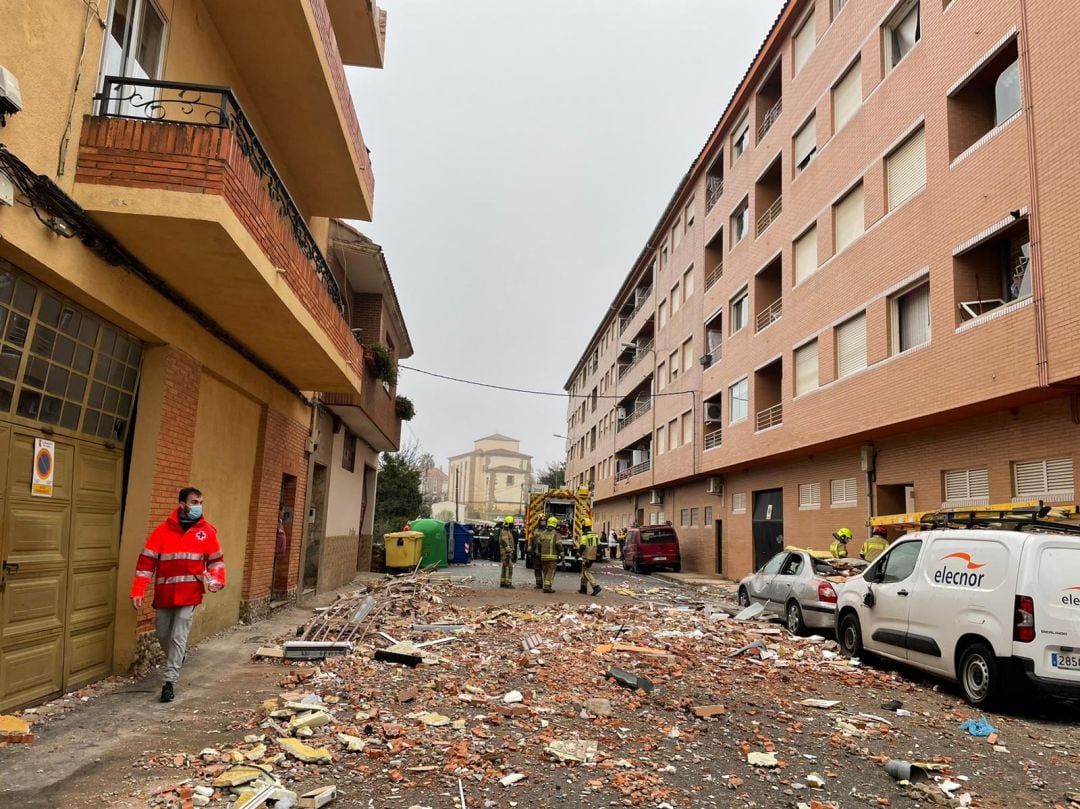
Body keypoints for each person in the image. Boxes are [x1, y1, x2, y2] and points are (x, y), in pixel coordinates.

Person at [131, 487, 225, 703]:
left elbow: (216, 561)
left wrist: (216, 580)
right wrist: (138, 590)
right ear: (182, 504)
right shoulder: (162, 532)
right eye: (194, 502)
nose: (198, 506)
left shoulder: (207, 532)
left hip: (190, 594)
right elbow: (146, 564)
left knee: (177, 636)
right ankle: (178, 656)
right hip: (165, 593)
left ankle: (169, 682)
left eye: (201, 502)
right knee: (163, 635)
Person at [578, 519, 602, 596]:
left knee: (586, 572)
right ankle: (583, 589)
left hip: (586, 556)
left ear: (584, 526)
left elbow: (583, 546)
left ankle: (595, 587)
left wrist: (578, 553)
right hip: (592, 556)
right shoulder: (595, 535)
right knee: (583, 571)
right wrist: (598, 554)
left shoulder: (585, 536)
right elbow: (599, 545)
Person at [537, 516, 560, 593]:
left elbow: (539, 544)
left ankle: (546, 586)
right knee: (551, 572)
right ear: (555, 524)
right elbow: (558, 544)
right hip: (552, 557)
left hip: (543, 556)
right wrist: (562, 553)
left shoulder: (542, 533)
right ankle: (547, 587)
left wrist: (539, 553)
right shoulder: (556, 534)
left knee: (545, 572)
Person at [497, 516, 516, 588]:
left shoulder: (506, 531)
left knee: (505, 567)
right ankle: (508, 583)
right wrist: (509, 552)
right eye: (512, 523)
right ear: (508, 523)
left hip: (505, 552)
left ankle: (503, 582)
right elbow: (506, 543)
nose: (513, 525)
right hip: (506, 553)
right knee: (509, 567)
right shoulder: (505, 532)